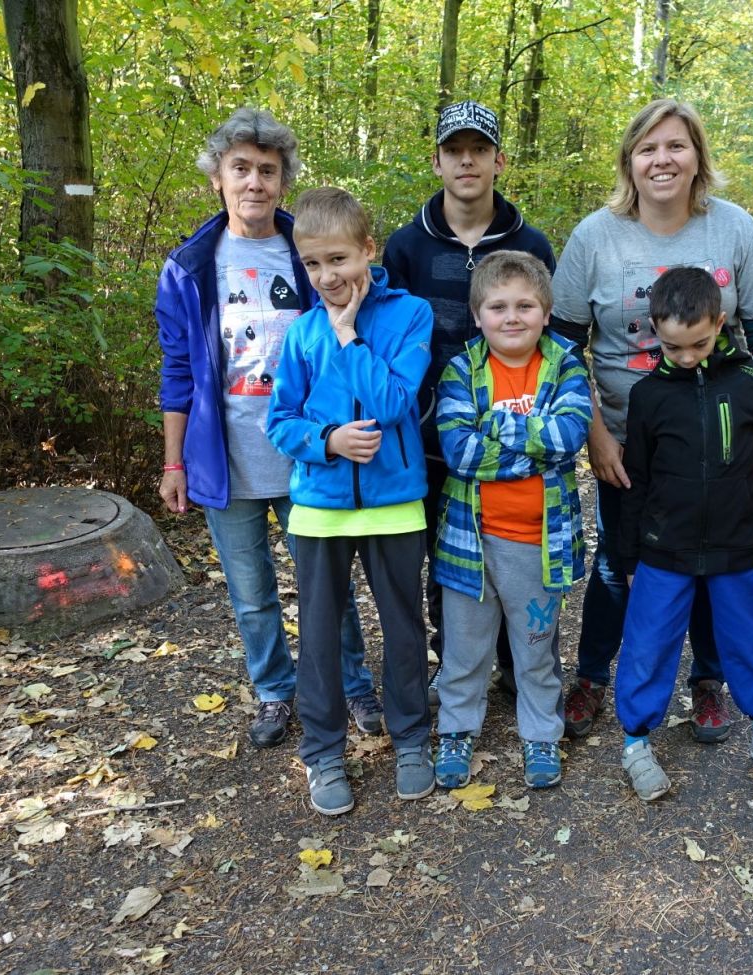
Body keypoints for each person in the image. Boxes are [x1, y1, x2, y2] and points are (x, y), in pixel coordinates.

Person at [549, 98, 753, 743]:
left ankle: (707, 682)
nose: (662, 160)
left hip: (721, 439)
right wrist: (597, 437)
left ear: (697, 157)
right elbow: (562, 350)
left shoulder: (734, 229)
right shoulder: (595, 237)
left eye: (676, 146)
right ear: (629, 161)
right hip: (627, 442)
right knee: (620, 559)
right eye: (648, 148)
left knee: (716, 561)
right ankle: (593, 675)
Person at [156, 108, 381, 751]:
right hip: (227, 455)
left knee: (327, 586)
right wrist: (174, 462)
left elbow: (360, 309)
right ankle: (275, 691)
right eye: (241, 169)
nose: (254, 182)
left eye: (268, 171)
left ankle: (352, 685)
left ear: (283, 182)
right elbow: (177, 371)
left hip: (311, 452)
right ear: (218, 179)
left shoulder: (306, 251)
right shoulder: (189, 267)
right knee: (251, 592)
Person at [265, 187, 435, 816]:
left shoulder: (410, 315)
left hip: (395, 502)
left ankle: (411, 740)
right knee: (318, 637)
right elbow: (280, 421)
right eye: (312, 264)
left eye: (338, 259)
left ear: (368, 249)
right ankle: (324, 752)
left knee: (403, 628)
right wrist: (327, 441)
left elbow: (392, 402)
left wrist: (348, 336)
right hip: (319, 507)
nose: (326, 276)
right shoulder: (302, 332)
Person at [611, 268, 753, 801]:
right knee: (648, 646)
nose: (686, 356)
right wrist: (629, 556)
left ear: (720, 323)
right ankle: (635, 742)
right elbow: (636, 482)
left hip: (737, 547)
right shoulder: (648, 395)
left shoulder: (748, 383)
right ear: (655, 330)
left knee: (750, 642)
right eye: (672, 346)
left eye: (698, 344)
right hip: (662, 553)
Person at [383, 100, 557, 698]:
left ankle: (522, 664)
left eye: (478, 150)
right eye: (453, 151)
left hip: (519, 431)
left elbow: (552, 335)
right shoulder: (407, 247)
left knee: (522, 548)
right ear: (436, 162)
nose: (466, 161)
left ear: (498, 160)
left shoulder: (530, 243)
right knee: (450, 554)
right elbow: (390, 338)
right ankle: (456, 663)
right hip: (433, 438)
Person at [430, 252, 591, 791]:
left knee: (536, 648)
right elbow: (459, 452)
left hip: (539, 544)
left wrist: (495, 426)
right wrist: (535, 450)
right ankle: (457, 729)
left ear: (546, 311)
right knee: (464, 650)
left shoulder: (565, 366)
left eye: (525, 305)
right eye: (498, 307)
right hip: (470, 543)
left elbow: (570, 435)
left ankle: (541, 733)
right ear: (478, 315)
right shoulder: (462, 370)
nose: (512, 317)